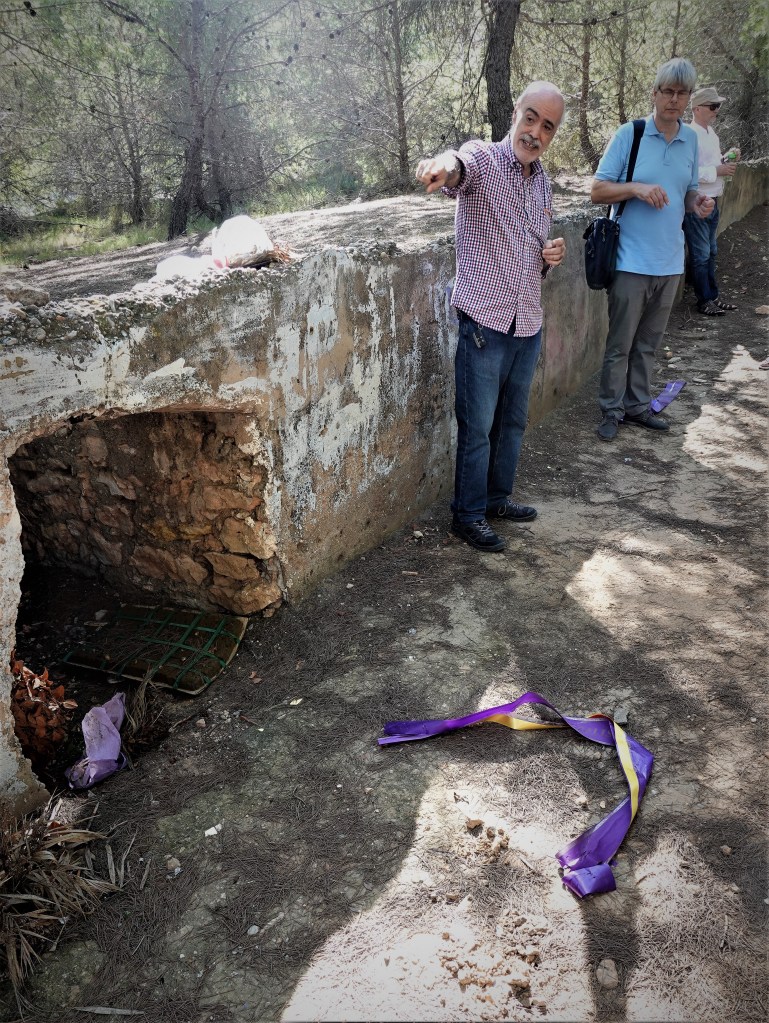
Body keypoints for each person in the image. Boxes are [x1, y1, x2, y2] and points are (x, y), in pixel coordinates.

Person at [414, 81, 566, 552]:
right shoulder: (484, 158)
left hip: (527, 323)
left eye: (547, 126)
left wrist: (549, 256)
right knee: (477, 428)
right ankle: (467, 515)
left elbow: (532, 251)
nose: (535, 132)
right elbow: (459, 166)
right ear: (515, 113)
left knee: (512, 424)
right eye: (531, 118)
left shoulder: (542, 183)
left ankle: (497, 500)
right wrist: (443, 167)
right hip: (484, 323)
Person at [592, 58, 715, 443]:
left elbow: (688, 191)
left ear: (689, 98)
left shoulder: (690, 139)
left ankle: (637, 406)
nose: (674, 100)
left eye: (682, 93)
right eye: (668, 92)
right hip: (630, 261)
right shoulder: (630, 134)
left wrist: (698, 202)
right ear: (655, 93)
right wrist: (636, 188)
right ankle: (611, 409)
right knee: (620, 344)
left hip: (670, 262)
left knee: (648, 344)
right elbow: (597, 190)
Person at [683, 86, 740, 316]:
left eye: (718, 106)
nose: (717, 110)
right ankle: (704, 300)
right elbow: (686, 172)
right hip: (697, 203)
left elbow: (713, 164)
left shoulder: (711, 134)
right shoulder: (689, 135)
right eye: (713, 106)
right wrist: (717, 170)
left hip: (713, 201)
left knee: (711, 251)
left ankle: (712, 296)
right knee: (701, 254)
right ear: (697, 108)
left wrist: (727, 158)